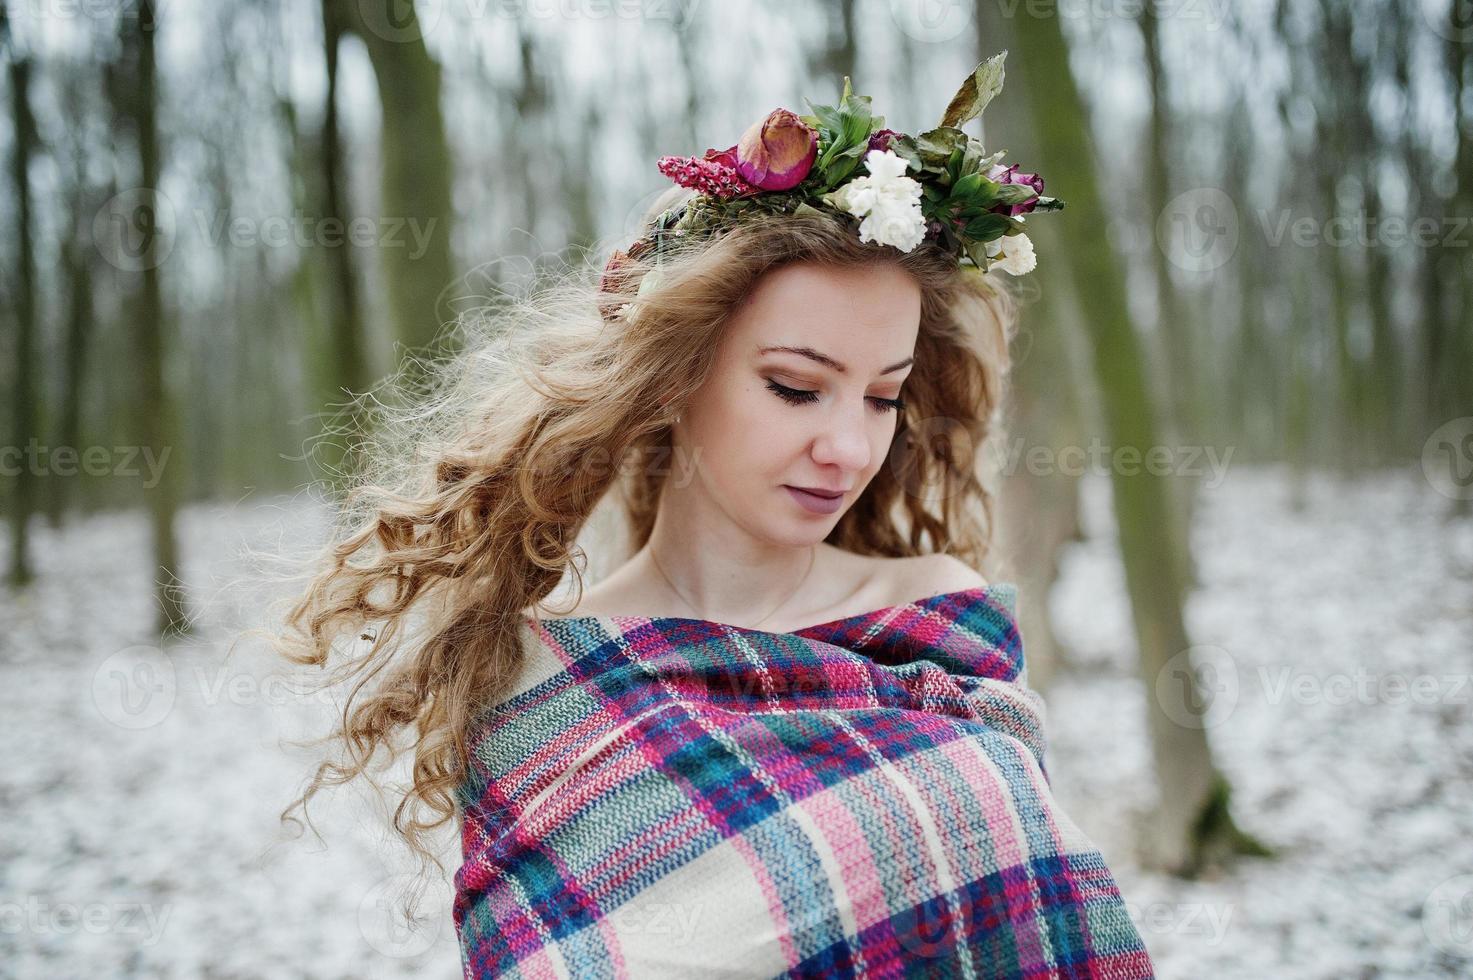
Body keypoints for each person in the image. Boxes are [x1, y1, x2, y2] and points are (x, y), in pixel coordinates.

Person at [273, 54, 1155, 978]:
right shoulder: (541, 691)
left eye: (882, 397)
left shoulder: (938, 623)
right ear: (674, 374)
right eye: (795, 387)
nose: (850, 448)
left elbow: (1025, 926)